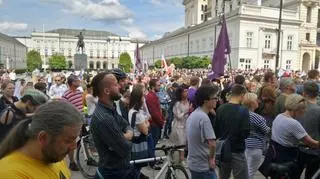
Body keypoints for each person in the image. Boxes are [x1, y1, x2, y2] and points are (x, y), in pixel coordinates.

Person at [0, 101, 84, 178]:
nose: (74, 147)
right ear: (43, 138)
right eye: (68, 140)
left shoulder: (53, 155)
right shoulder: (10, 174)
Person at [261, 94, 320, 179]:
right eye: (303, 108)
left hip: (275, 155)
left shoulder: (279, 116)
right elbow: (311, 143)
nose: (305, 110)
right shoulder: (293, 123)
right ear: (296, 109)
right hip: (286, 158)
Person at [90, 72, 133, 178]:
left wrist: (124, 135)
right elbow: (124, 149)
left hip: (121, 171)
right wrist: (127, 136)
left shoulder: (111, 108)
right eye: (115, 84)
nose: (119, 86)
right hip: (112, 173)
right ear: (107, 91)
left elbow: (126, 124)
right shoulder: (104, 118)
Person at [215, 84, 250, 179]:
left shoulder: (221, 108)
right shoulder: (243, 110)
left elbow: (216, 131)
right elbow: (245, 133)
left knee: (223, 176)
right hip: (237, 149)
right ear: (242, 94)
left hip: (223, 150)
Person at [186, 85, 219, 179]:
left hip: (194, 163)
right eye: (214, 98)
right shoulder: (204, 118)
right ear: (205, 101)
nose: (217, 100)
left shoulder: (193, 115)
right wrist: (211, 159)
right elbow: (212, 144)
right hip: (203, 166)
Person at [243, 93, 270, 179]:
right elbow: (267, 131)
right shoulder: (257, 117)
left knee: (247, 169)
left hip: (244, 144)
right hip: (255, 145)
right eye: (256, 100)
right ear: (252, 103)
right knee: (251, 170)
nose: (258, 101)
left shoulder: (242, 114)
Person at [128, 84, 150, 179]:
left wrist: (145, 122)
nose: (144, 97)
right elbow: (145, 131)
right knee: (138, 165)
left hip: (133, 141)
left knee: (135, 166)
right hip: (139, 144)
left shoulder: (131, 110)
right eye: (143, 96)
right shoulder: (138, 114)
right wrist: (147, 123)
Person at [62, 74, 83, 171]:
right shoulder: (66, 95)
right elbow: (64, 109)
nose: (79, 81)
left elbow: (81, 106)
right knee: (72, 142)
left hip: (81, 120)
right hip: (72, 121)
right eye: (77, 80)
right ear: (71, 83)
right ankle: (72, 162)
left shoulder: (79, 92)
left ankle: (87, 156)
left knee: (85, 138)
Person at [301, 81, 320, 178]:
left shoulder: (298, 107)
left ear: (304, 93)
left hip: (298, 148)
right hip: (314, 150)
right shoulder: (318, 110)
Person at [169, 84, 189, 164]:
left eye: (186, 91)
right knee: (181, 143)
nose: (187, 92)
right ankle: (181, 160)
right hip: (178, 126)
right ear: (180, 93)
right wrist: (187, 111)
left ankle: (173, 153)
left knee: (181, 143)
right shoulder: (177, 104)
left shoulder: (188, 101)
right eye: (184, 91)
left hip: (186, 125)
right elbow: (178, 116)